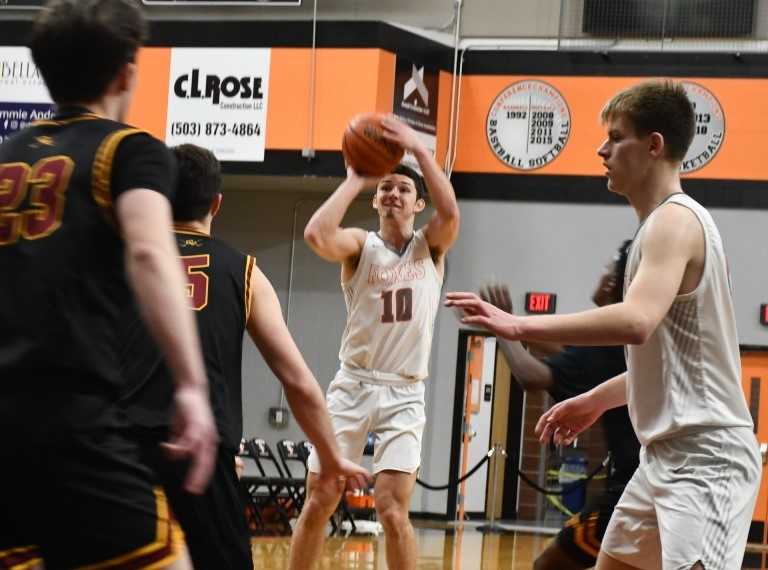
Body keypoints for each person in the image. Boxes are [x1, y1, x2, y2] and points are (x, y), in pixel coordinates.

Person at [447, 80, 760, 570]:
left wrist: (518, 325)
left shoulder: (673, 222)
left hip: (706, 458)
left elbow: (635, 323)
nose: (602, 148)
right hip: (662, 457)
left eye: (616, 137)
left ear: (654, 145)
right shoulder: (656, 231)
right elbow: (669, 366)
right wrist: (595, 399)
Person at [0, 2, 218, 568]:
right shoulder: (130, 150)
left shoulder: (4, 159)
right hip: (73, 425)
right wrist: (191, 386)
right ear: (127, 69)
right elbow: (149, 249)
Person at [119, 144, 371, 570]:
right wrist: (329, 455)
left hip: (121, 449)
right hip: (203, 453)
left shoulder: (122, 260)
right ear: (217, 203)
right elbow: (296, 378)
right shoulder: (243, 270)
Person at [288, 116, 460, 570]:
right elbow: (315, 235)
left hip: (405, 390)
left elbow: (452, 214)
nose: (392, 194)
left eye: (402, 188)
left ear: (418, 202)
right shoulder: (360, 246)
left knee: (391, 506)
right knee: (322, 495)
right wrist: (354, 180)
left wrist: (420, 152)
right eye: (385, 188)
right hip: (355, 384)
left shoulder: (432, 248)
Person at [480, 240, 640, 570]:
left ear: (612, 282)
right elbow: (568, 347)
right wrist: (510, 322)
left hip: (629, 491)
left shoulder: (607, 343)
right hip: (647, 483)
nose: (601, 275)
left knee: (548, 566)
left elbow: (529, 375)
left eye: (606, 268)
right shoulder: (622, 340)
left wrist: (501, 332)